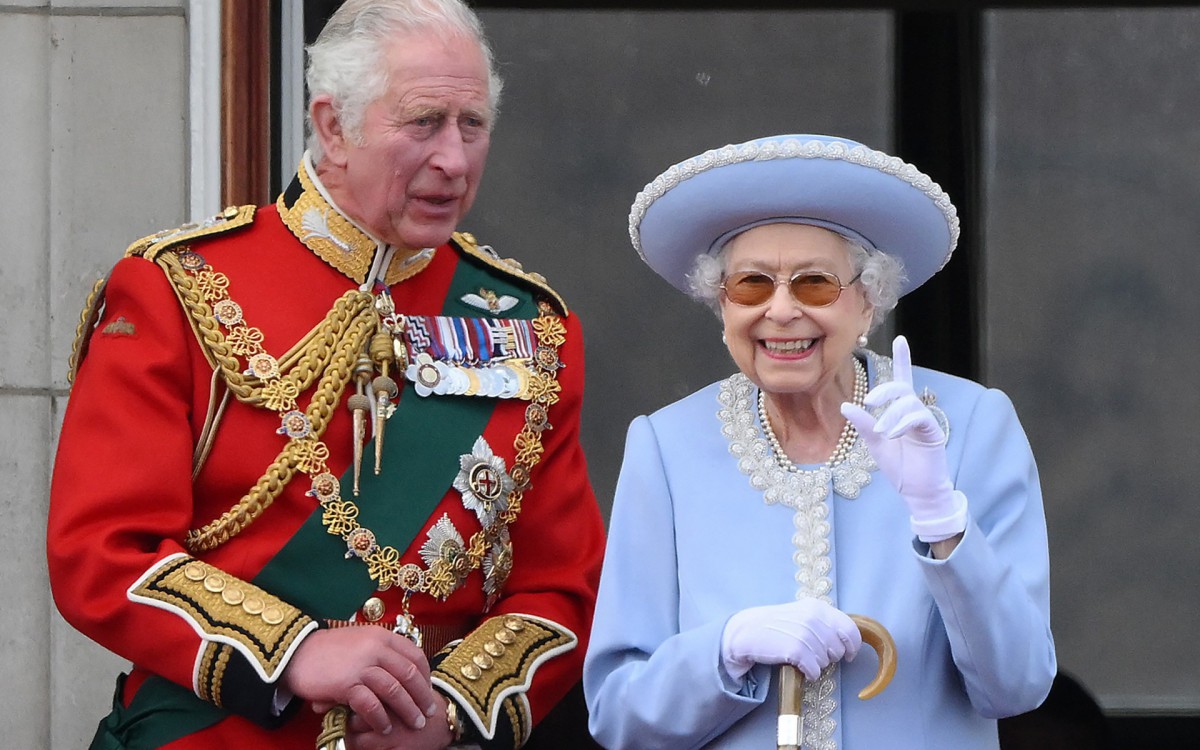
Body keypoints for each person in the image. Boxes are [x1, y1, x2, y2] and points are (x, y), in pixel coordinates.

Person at [47, 1, 605, 748]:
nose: (455, 159)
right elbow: (103, 551)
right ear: (333, 124)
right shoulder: (178, 288)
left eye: (472, 124)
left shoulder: (531, 325)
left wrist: (450, 712)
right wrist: (294, 652)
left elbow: (563, 587)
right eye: (423, 122)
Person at [583, 134, 1056, 749]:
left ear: (868, 303)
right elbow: (618, 715)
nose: (781, 311)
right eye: (752, 285)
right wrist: (724, 650)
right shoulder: (666, 448)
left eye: (814, 285)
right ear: (722, 306)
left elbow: (1017, 685)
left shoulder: (971, 426)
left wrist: (943, 520)